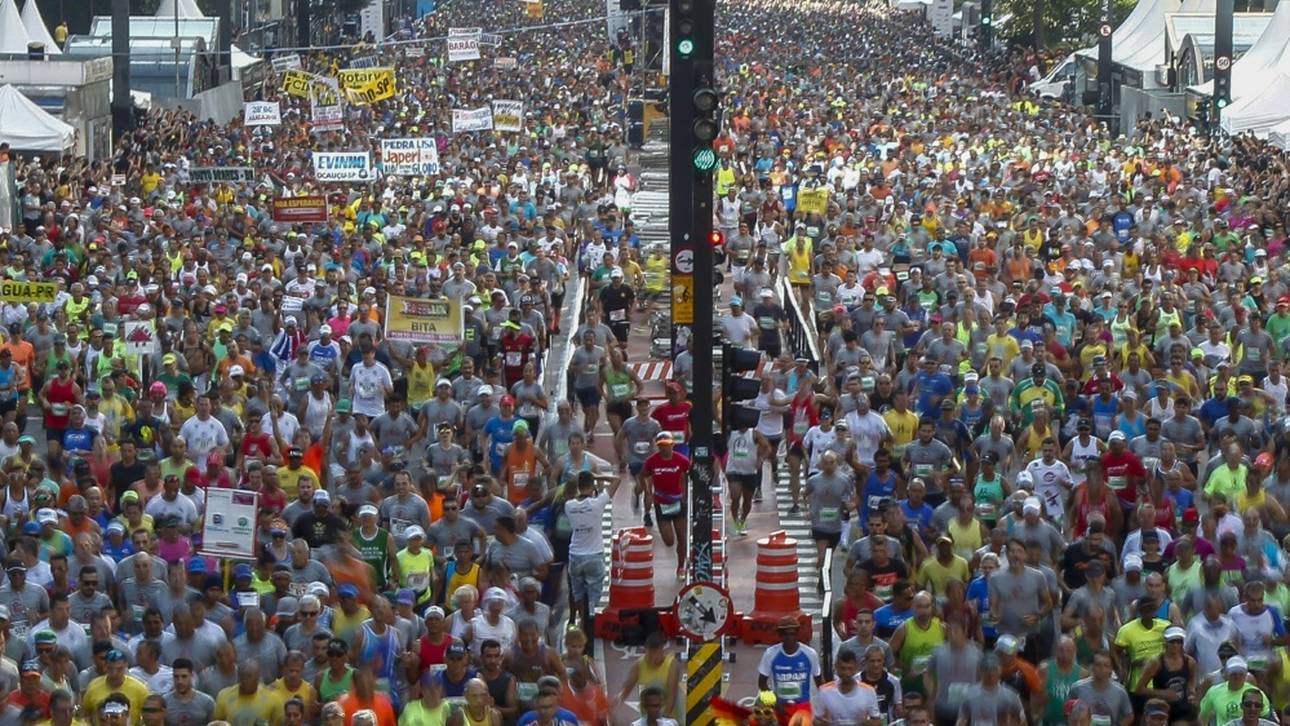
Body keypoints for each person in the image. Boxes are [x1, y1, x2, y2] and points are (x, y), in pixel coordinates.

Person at [756, 616, 822, 713]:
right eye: (785, 634)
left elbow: (820, 682)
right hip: (780, 707)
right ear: (780, 635)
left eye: (792, 634)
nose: (789, 638)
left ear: (797, 634)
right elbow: (762, 683)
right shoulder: (770, 654)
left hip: (803, 707)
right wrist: (775, 702)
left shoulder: (810, 654)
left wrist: (826, 704)